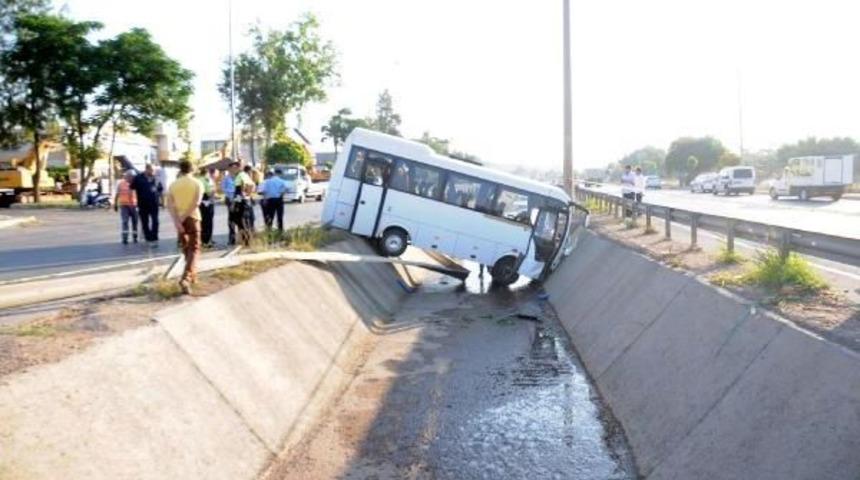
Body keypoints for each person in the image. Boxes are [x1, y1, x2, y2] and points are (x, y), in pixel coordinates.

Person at [166, 160, 203, 295]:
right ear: (192, 169)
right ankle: (186, 278)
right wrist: (185, 217)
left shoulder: (173, 185)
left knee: (186, 248)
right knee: (194, 248)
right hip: (193, 218)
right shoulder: (197, 183)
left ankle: (192, 275)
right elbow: (196, 203)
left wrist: (177, 221)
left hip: (179, 220)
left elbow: (170, 205)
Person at [132, 163, 164, 247]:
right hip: (142, 204)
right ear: (147, 169)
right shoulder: (138, 178)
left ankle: (154, 237)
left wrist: (162, 201)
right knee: (144, 222)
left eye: (154, 171)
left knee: (155, 221)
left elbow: (160, 190)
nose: (154, 172)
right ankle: (148, 237)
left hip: (154, 203)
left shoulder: (156, 178)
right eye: (152, 170)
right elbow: (132, 188)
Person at [228, 161, 255, 246]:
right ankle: (246, 240)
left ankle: (247, 241)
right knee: (244, 221)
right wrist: (248, 194)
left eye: (233, 168)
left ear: (238, 167)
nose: (232, 170)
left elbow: (239, 191)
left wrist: (235, 203)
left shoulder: (240, 176)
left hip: (241, 202)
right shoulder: (244, 175)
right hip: (245, 201)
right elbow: (252, 185)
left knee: (241, 221)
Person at [114, 170, 138, 244]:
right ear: (127, 176)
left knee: (135, 222)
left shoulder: (136, 183)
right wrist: (115, 204)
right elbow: (117, 194)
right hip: (124, 206)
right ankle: (125, 238)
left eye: (133, 176)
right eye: (130, 176)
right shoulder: (121, 184)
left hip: (134, 205)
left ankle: (135, 237)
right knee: (125, 222)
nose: (132, 178)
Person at [196, 167, 216, 248]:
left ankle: (202, 239)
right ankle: (207, 240)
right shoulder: (206, 180)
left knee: (201, 222)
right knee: (208, 222)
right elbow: (210, 192)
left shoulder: (197, 180)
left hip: (199, 203)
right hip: (207, 202)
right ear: (206, 173)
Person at [221, 166, 236, 245]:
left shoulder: (238, 177)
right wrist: (230, 192)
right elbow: (223, 188)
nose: (234, 170)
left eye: (235, 168)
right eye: (233, 168)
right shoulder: (226, 178)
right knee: (231, 219)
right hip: (230, 199)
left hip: (238, 199)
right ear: (229, 169)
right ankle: (232, 239)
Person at [243, 165, 257, 230]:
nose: (251, 174)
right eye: (251, 172)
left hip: (248, 199)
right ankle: (248, 231)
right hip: (245, 200)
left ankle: (250, 230)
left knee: (251, 217)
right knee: (248, 217)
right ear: (248, 171)